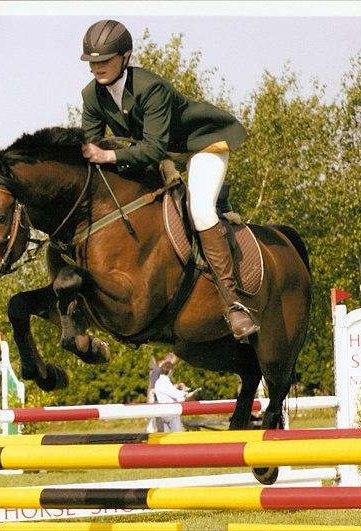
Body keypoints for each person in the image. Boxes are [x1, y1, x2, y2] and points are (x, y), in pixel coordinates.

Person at [79, 19, 259, 340]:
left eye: (104, 60)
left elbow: (151, 149)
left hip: (201, 145)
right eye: (92, 62)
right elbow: (94, 149)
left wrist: (110, 156)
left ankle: (234, 305)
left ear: (125, 57)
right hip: (160, 154)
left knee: (200, 210)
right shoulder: (92, 96)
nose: (97, 68)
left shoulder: (151, 88)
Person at [153, 360, 190, 432]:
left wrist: (178, 388)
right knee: (177, 437)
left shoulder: (160, 381)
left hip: (164, 413)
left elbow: (171, 392)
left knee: (168, 437)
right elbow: (175, 394)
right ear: (170, 371)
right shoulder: (164, 382)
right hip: (171, 414)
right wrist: (185, 392)